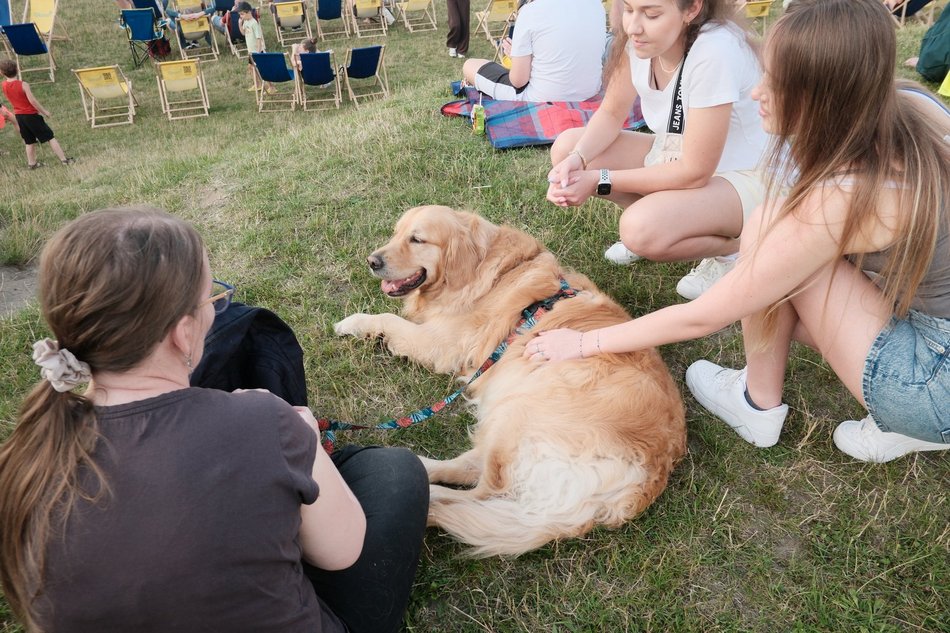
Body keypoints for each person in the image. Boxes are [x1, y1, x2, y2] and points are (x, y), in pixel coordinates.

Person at [525, 0, 950, 464]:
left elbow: (704, 316)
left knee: (769, 235)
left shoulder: (841, 199)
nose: (755, 91)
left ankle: (757, 402)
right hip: (931, 328)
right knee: (777, 254)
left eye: (775, 82)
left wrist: (584, 343)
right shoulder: (915, 104)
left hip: (931, 384)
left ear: (820, 94)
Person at [0, 207, 430, 632]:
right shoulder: (263, 420)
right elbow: (342, 551)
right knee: (393, 472)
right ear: (182, 332)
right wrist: (304, 439)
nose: (218, 307)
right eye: (212, 297)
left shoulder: (20, 464)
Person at [546, 0, 768, 300]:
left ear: (692, 9)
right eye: (628, 9)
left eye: (651, 14)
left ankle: (737, 249)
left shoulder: (716, 50)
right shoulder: (639, 41)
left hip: (748, 175)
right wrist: (579, 158)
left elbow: (694, 171)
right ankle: (665, 221)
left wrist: (600, 178)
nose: (633, 27)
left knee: (639, 229)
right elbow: (611, 112)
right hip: (681, 151)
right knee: (567, 148)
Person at [462, 0, 606, 102]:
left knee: (469, 65)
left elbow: (518, 81)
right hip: (589, 91)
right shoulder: (596, 5)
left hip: (543, 97)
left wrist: (516, 57)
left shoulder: (531, 11)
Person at [0, 59, 73, 170]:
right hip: (31, 115)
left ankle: (32, 164)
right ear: (17, 69)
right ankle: (64, 160)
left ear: (2, 73)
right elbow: (33, 101)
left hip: (19, 117)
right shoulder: (23, 85)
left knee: (29, 142)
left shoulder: (4, 85)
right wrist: (44, 112)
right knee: (50, 137)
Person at [237, 1, 269, 92]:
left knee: (263, 69)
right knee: (251, 67)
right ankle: (257, 84)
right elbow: (243, 33)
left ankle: (271, 86)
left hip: (257, 51)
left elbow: (259, 38)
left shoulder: (254, 23)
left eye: (242, 14)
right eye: (240, 15)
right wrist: (240, 24)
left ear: (248, 12)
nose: (241, 16)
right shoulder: (246, 22)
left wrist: (258, 52)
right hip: (251, 51)